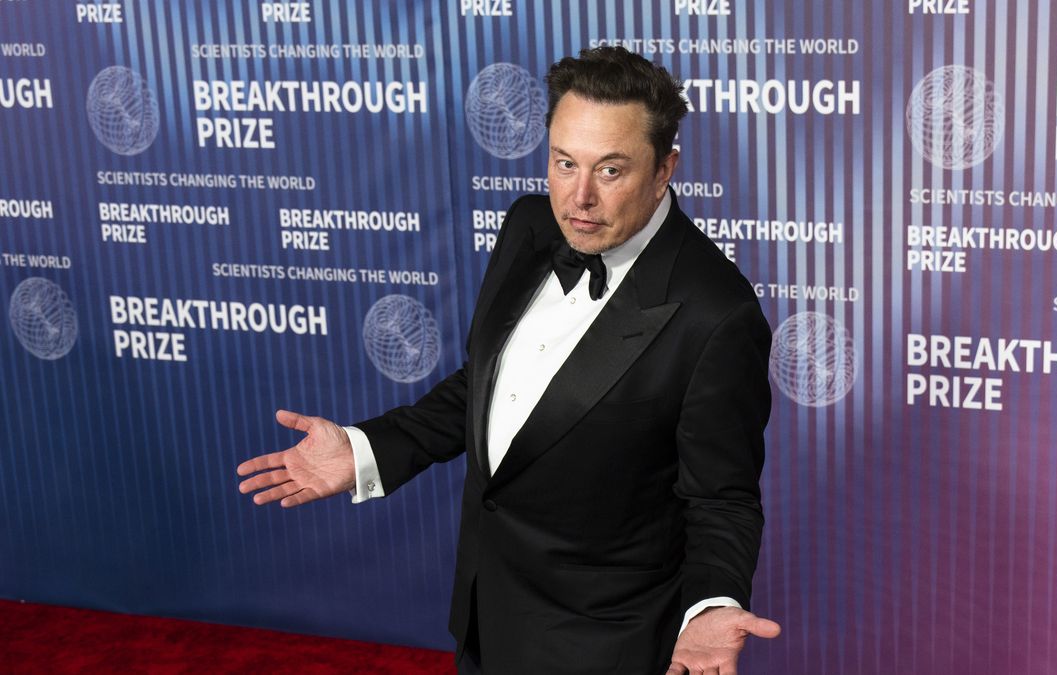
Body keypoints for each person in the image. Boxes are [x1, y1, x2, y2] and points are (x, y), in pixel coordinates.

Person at [238, 46, 780, 674]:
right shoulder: (529, 223)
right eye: (563, 163)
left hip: (605, 644)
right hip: (485, 612)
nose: (579, 198)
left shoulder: (717, 314)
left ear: (665, 169)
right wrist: (368, 449)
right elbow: (491, 386)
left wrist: (711, 605)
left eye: (610, 171)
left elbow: (722, 499)